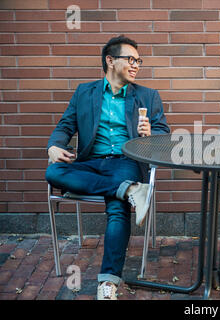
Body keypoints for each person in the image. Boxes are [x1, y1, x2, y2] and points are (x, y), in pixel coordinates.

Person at [45, 35, 170, 300]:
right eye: (130, 59)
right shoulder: (84, 92)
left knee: (117, 209)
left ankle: (108, 282)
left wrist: (150, 135)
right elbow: (65, 126)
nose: (136, 65)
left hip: (125, 163)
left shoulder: (147, 95)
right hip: (90, 162)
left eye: (139, 61)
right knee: (53, 171)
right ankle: (129, 190)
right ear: (110, 61)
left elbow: (164, 134)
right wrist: (53, 146)